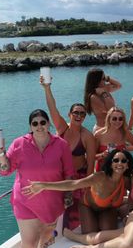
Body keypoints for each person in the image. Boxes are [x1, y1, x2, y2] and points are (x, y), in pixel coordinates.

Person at [0, 109, 74, 248]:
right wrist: (0, 153)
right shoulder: (20, 144)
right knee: (29, 244)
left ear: (48, 124)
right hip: (25, 201)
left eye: (43, 122)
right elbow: (5, 170)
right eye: (35, 123)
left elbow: (69, 174)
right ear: (30, 127)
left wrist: (67, 197)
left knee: (46, 241)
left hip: (52, 201)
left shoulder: (61, 145)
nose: (39, 126)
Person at [22, 149, 133, 234]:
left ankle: (116, 213)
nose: (119, 163)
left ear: (127, 165)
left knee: (108, 233)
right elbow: (73, 184)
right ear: (110, 163)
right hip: (88, 207)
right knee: (91, 234)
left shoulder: (126, 180)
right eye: (116, 160)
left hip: (108, 209)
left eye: (123, 161)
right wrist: (43, 185)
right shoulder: (100, 177)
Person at [40, 77, 96, 229]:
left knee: (75, 213)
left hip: (78, 178)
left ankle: (72, 236)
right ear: (70, 114)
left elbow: (91, 163)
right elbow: (52, 109)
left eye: (83, 114)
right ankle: (53, 233)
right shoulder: (62, 129)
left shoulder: (87, 136)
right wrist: (47, 88)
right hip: (60, 176)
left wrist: (87, 185)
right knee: (55, 207)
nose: (79, 116)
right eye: (76, 113)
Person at [95, 107, 133, 171]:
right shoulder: (99, 134)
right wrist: (102, 155)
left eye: (120, 119)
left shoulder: (125, 133)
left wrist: (128, 148)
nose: (117, 121)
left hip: (120, 170)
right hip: (103, 170)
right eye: (114, 119)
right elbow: (91, 156)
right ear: (109, 119)